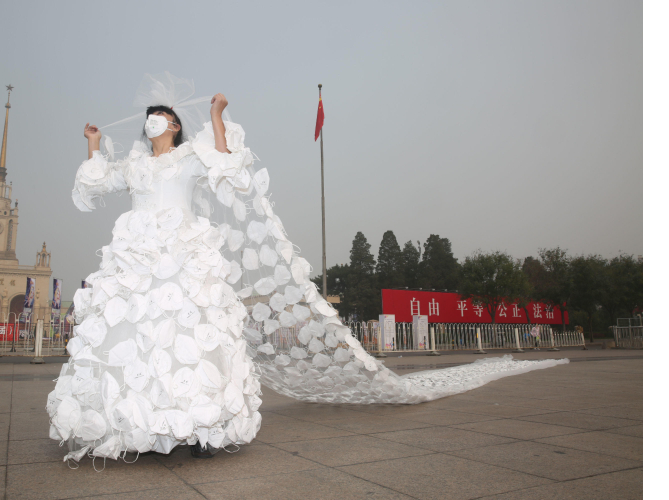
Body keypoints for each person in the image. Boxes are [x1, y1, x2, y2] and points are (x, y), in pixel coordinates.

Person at [48, 73, 568, 467]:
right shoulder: (137, 164)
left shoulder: (190, 158)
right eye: (150, 116)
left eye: (161, 115)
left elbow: (227, 163)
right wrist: (93, 145)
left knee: (187, 334)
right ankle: (130, 426)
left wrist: (217, 116)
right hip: (137, 258)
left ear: (176, 125)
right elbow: (96, 185)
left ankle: (196, 429)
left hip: (182, 253)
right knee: (136, 334)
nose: (153, 121)